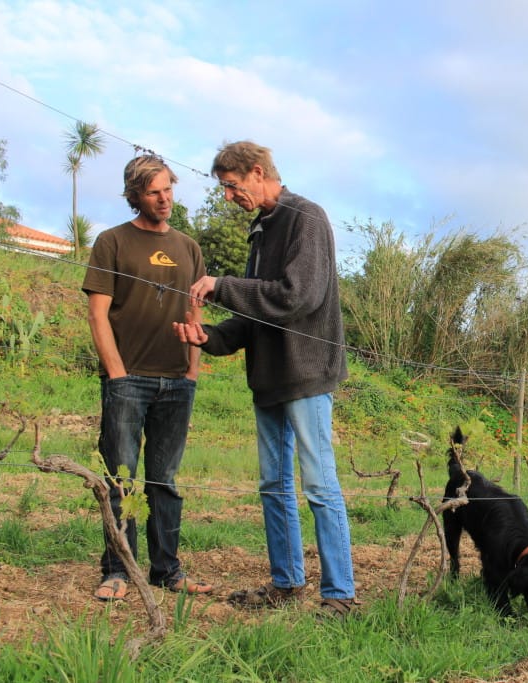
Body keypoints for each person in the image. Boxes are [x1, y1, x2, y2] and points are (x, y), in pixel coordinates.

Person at [173, 140, 358, 618]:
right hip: (269, 378)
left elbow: (297, 296)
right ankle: (286, 583)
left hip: (307, 374)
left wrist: (222, 285)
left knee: (319, 485)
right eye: (225, 190)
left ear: (257, 172)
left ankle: (339, 595)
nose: (230, 197)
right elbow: (260, 314)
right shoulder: (261, 229)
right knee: (273, 485)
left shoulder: (306, 217)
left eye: (232, 187)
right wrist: (207, 337)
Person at [83, 154, 212, 601]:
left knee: (166, 482)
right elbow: (98, 314)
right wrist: (117, 373)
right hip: (128, 380)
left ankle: (167, 571)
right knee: (121, 479)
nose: (165, 199)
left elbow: (197, 313)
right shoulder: (112, 242)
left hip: (177, 381)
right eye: (154, 191)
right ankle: (117, 571)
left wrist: (193, 371)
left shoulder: (188, 247)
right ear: (134, 194)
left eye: (169, 189)